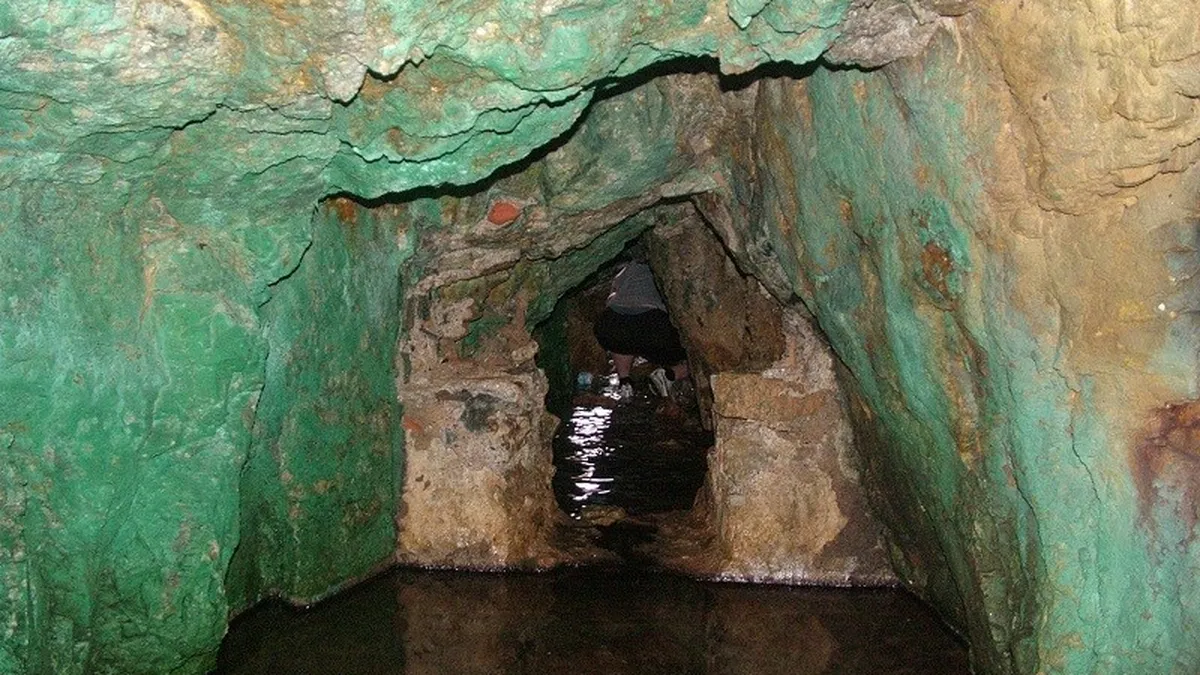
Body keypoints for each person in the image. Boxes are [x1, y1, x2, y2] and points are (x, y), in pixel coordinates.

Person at [592, 257, 690, 399]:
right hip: (652, 326)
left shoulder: (630, 268)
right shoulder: (670, 266)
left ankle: (625, 382)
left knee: (622, 335)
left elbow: (611, 298)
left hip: (609, 324)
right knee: (694, 351)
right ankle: (669, 375)